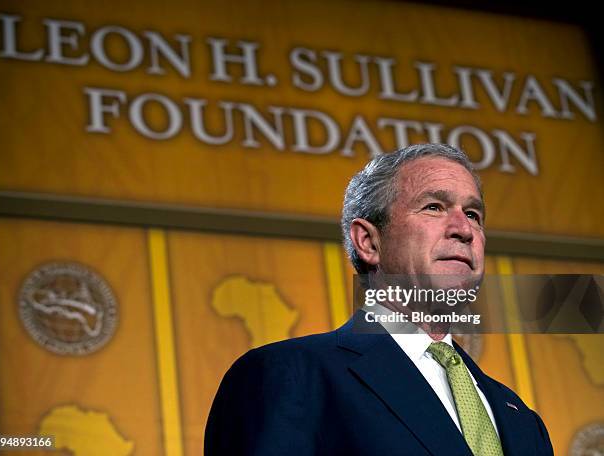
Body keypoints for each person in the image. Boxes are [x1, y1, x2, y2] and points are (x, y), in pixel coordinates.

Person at [204, 144, 554, 455]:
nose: (464, 230)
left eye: (473, 215)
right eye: (434, 207)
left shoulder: (522, 419)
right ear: (369, 242)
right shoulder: (291, 377)